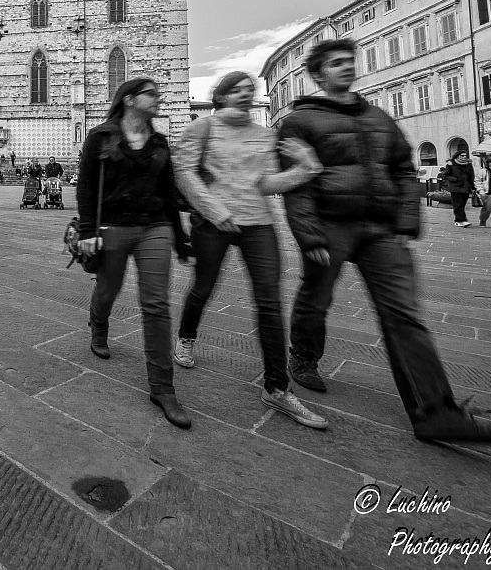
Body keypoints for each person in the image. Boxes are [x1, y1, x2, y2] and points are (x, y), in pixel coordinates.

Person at [279, 39, 491, 444]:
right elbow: (296, 187)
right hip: (331, 226)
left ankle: (436, 413)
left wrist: (405, 218)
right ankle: (304, 355)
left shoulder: (379, 116)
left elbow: (404, 169)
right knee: (316, 297)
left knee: (405, 316)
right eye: (335, 63)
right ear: (318, 74)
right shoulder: (301, 122)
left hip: (380, 230)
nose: (346, 68)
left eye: (350, 61)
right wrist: (308, 233)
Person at [171, 71, 328, 430]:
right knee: (204, 287)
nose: (245, 94)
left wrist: (307, 168)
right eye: (237, 89)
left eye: (250, 90)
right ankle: (186, 336)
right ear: (222, 96)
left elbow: (266, 183)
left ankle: (276, 386)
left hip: (258, 223)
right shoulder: (203, 128)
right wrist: (214, 210)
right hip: (213, 223)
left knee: (270, 301)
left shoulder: (264, 135)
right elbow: (184, 173)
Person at [75, 77, 194, 429]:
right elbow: (85, 187)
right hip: (112, 225)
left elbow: (168, 190)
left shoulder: (159, 141)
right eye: (152, 94)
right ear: (129, 100)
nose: (159, 98)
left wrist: (180, 235)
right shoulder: (101, 136)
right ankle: (99, 323)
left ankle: (162, 385)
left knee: (156, 303)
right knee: (107, 290)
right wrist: (87, 231)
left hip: (154, 226)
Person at [441, 150, 475, 227]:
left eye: (465, 155)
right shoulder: (451, 164)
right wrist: (454, 179)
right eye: (462, 155)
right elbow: (445, 175)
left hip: (466, 188)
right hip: (455, 188)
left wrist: (473, 187)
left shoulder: (469, 164)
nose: (464, 157)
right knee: (458, 204)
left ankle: (460, 219)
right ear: (457, 156)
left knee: (462, 204)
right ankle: (460, 220)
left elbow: (471, 176)